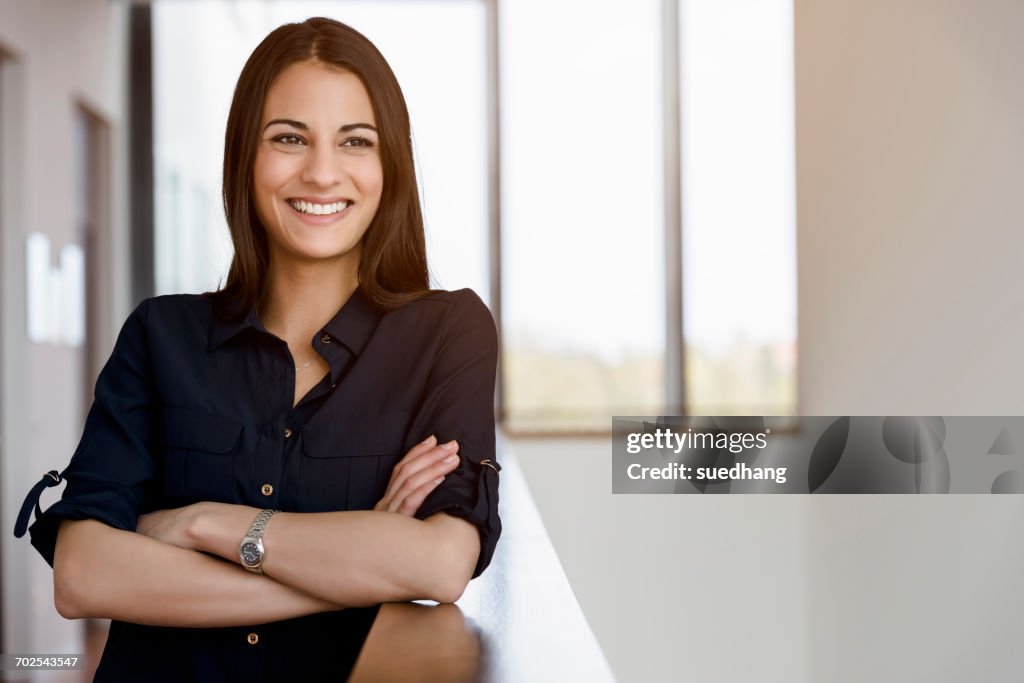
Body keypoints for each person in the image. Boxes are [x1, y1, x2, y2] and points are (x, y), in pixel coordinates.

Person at [12, 16, 501, 681]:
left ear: (390, 165)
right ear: (245, 156)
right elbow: (82, 573)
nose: (322, 172)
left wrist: (202, 523)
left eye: (355, 141)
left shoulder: (448, 334)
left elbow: (441, 562)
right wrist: (353, 566)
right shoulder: (161, 338)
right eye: (289, 138)